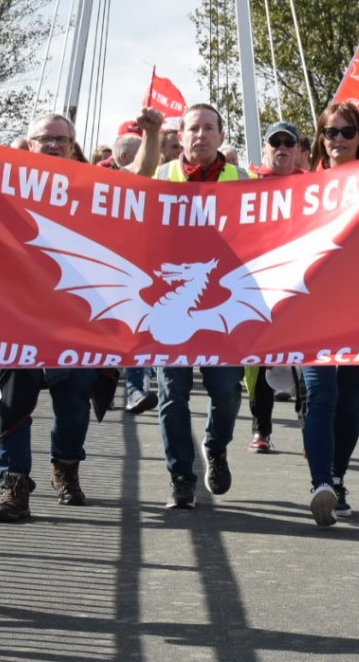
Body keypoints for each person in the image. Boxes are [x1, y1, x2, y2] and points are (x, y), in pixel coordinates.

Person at [0, 109, 161, 521]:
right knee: (12, 401)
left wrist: (152, 133)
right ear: (28, 144)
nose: (51, 145)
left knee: (75, 401)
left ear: (73, 146)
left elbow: (140, 176)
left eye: (60, 139)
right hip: (17, 317)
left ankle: (65, 468)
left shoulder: (93, 188)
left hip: (78, 320)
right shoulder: (1, 184)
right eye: (43, 138)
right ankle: (15, 486)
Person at [145, 103, 248, 508]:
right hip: (170, 309)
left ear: (222, 137)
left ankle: (216, 445)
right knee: (173, 394)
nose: (201, 135)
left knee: (226, 390)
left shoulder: (242, 179)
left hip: (221, 303)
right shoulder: (161, 176)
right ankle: (181, 477)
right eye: (193, 129)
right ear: (180, 137)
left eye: (209, 128)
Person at [300, 102, 359, 525]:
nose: (337, 140)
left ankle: (337, 475)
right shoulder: (300, 187)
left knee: (348, 400)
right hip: (311, 311)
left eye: (346, 132)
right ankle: (320, 484)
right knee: (322, 395)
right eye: (330, 132)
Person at [244, 119, 307, 451]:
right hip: (259, 286)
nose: (281, 148)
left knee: (303, 357)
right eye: (275, 142)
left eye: (288, 143)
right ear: (266, 148)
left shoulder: (316, 187)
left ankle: (307, 422)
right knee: (260, 361)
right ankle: (261, 428)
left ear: (297, 149)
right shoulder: (248, 186)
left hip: (301, 286)